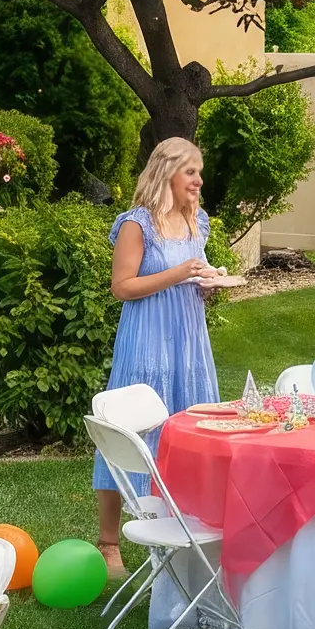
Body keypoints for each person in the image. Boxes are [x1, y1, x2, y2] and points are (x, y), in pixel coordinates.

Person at [93, 138, 220, 573]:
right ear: (166, 172)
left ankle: (182, 529)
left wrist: (206, 284)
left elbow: (192, 275)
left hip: (188, 340)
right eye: (191, 172)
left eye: (199, 172)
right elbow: (122, 287)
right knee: (134, 431)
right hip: (147, 338)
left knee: (189, 427)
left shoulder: (195, 222)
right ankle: (108, 543)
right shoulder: (137, 224)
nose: (199, 181)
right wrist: (179, 273)